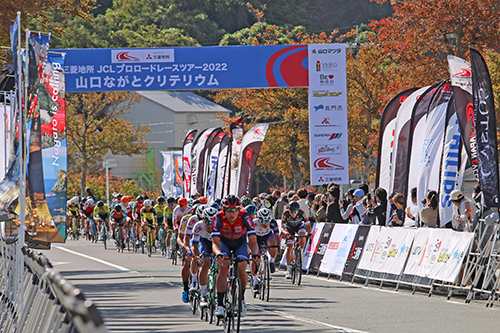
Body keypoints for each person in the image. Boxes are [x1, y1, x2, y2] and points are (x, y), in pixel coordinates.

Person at [212, 195, 260, 318]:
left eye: (235, 210)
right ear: (223, 210)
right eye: (228, 210)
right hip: (224, 243)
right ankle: (221, 304)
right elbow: (215, 243)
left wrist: (255, 254)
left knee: (242, 266)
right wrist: (218, 254)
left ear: (239, 209)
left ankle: (241, 299)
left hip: (240, 242)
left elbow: (253, 241)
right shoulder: (217, 217)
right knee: (223, 266)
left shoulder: (245, 216)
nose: (232, 213)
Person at [192, 206, 218, 308]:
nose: (210, 226)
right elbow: (194, 246)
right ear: (203, 221)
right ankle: (203, 295)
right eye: (207, 223)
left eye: (213, 223)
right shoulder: (198, 226)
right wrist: (197, 257)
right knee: (205, 264)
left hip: (217, 243)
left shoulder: (221, 226)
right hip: (205, 243)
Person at [251, 207, 279, 293]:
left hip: (267, 236)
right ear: (258, 219)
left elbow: (277, 236)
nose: (265, 223)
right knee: (255, 258)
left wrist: (277, 247)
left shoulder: (273, 222)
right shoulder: (253, 223)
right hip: (256, 238)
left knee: (273, 243)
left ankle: (271, 261)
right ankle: (255, 280)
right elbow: (249, 237)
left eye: (267, 221)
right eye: (262, 221)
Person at [281, 201, 310, 279]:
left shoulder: (302, 213)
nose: (294, 213)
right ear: (289, 210)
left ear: (298, 210)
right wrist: (285, 233)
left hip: (299, 226)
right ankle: (288, 269)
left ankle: (301, 251)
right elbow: (282, 227)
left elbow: (307, 224)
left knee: (303, 234)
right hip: (289, 228)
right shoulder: (285, 214)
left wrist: (309, 233)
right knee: (289, 247)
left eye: (296, 211)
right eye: (292, 211)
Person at [184, 204, 206, 292]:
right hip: (194, 238)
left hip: (205, 239)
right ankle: (194, 281)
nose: (201, 221)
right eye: (199, 218)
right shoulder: (192, 220)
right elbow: (187, 238)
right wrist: (188, 250)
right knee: (194, 255)